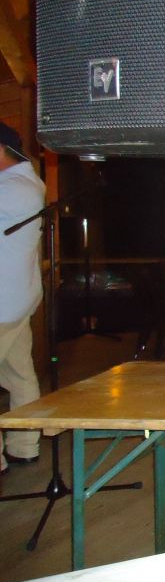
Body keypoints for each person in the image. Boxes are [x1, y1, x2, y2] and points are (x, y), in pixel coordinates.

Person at [0, 123, 45, 475]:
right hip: (15, 298)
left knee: (18, 373)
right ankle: (24, 446)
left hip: (5, 301)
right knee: (18, 374)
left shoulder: (13, 188)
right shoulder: (25, 184)